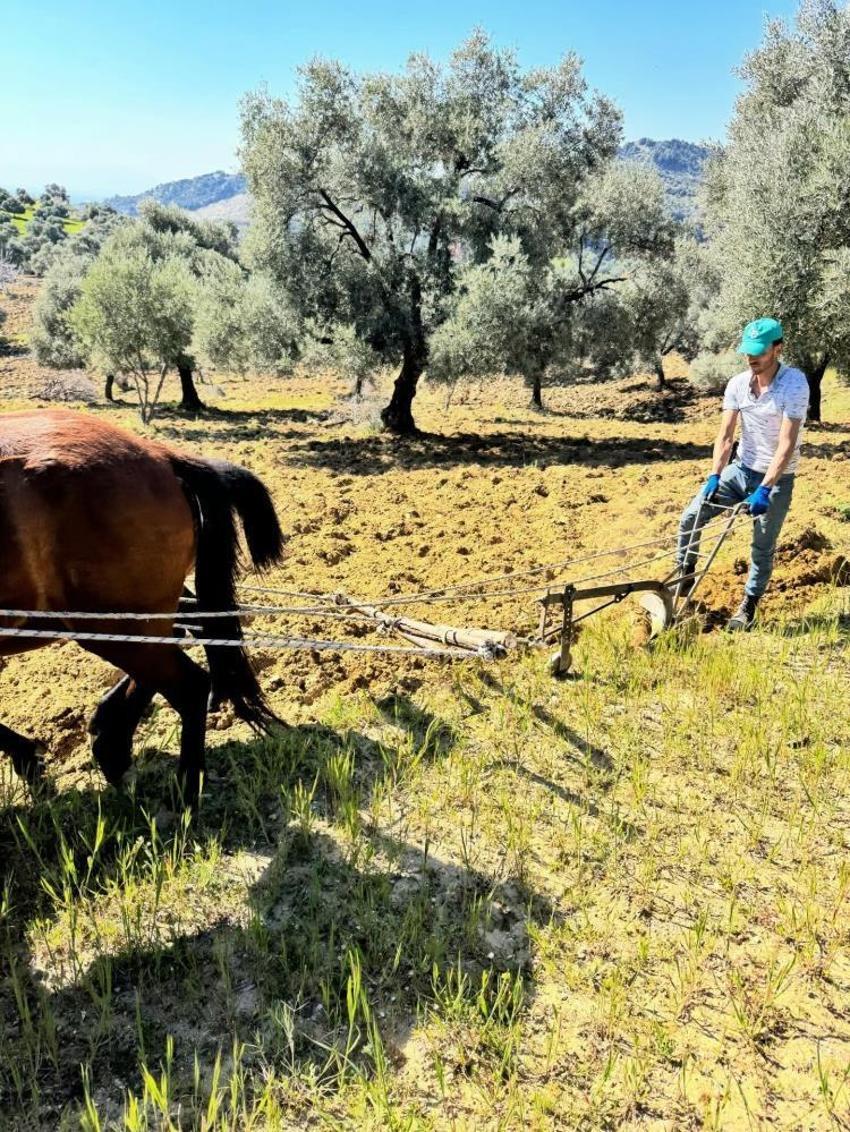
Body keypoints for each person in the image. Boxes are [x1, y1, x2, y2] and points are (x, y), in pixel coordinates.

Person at [677, 317, 809, 630]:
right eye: (748, 352)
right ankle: (683, 579)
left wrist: (765, 488)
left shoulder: (794, 384)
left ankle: (748, 606)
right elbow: (725, 436)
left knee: (761, 547)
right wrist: (714, 475)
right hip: (740, 470)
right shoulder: (738, 384)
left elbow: (786, 444)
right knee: (690, 517)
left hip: (775, 479)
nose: (752, 358)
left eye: (760, 352)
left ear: (778, 349)